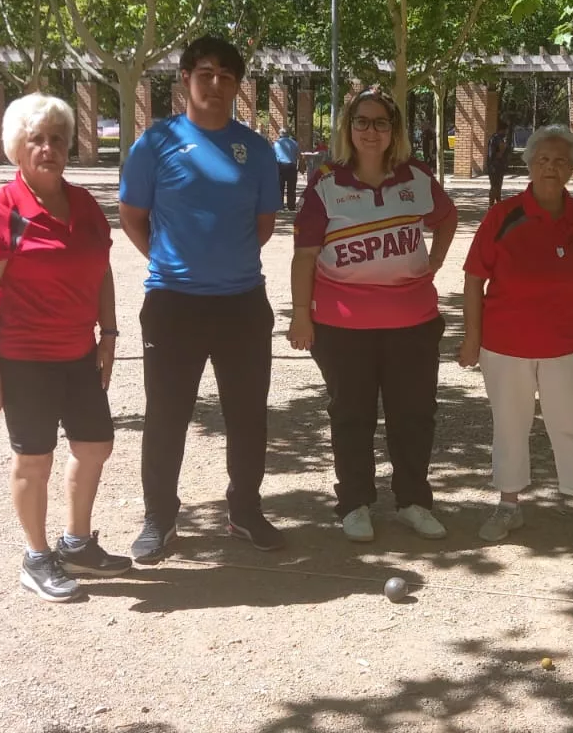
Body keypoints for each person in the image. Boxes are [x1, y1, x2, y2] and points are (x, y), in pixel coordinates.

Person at [118, 35, 284, 557]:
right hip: (172, 304)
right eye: (206, 73)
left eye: (227, 76)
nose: (216, 84)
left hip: (242, 304)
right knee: (166, 414)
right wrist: (177, 262)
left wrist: (221, 264)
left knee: (248, 414)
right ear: (186, 78)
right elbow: (132, 218)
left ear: (237, 86)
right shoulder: (155, 143)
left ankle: (245, 511)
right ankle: (160, 519)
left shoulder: (256, 150)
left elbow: (262, 226)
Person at [0, 93, 129, 603]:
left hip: (78, 355)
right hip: (24, 358)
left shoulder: (84, 206)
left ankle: (77, 544)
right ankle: (37, 559)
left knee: (96, 446)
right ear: (18, 147)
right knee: (35, 460)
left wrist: (109, 336)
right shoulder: (1, 212)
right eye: (37, 139)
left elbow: (101, 272)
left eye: (58, 138)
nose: (49, 148)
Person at [288, 87, 458, 543]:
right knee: (351, 415)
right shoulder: (325, 182)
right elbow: (304, 256)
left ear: (394, 131)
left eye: (380, 122)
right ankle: (354, 503)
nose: (370, 130)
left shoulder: (417, 176)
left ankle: (414, 501)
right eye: (361, 121)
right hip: (343, 327)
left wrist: (435, 262)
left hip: (413, 323)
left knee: (415, 415)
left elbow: (447, 218)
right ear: (348, 128)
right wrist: (300, 315)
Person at [459, 125, 573, 552]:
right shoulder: (502, 216)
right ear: (529, 165)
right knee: (509, 426)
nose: (551, 168)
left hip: (570, 345)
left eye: (560, 161)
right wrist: (472, 338)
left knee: (570, 426)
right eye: (543, 160)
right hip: (505, 346)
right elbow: (473, 280)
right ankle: (508, 504)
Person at [274, 125, 301, 211]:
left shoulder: (276, 143)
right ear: (288, 134)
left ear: (280, 134)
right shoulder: (294, 143)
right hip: (291, 167)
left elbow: (273, 156)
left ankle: (279, 205)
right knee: (291, 187)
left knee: (280, 187)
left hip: (280, 166)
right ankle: (291, 206)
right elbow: (298, 156)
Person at [486, 125, 513, 206]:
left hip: (499, 167)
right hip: (494, 167)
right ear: (501, 130)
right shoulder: (495, 139)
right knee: (495, 186)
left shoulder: (499, 139)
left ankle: (498, 204)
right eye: (505, 131)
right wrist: (501, 152)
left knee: (498, 186)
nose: (506, 133)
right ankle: (491, 205)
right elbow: (492, 155)